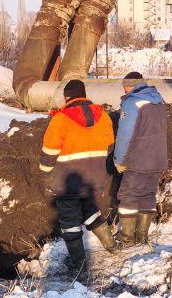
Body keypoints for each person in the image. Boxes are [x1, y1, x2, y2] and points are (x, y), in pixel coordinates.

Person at [39, 79, 117, 275]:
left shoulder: (61, 119)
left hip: (69, 179)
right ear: (83, 94)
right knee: (89, 210)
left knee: (69, 221)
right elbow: (110, 146)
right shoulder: (103, 116)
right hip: (95, 178)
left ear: (67, 97)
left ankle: (79, 264)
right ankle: (111, 245)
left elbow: (49, 150)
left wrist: (46, 172)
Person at [113, 71, 168, 246]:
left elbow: (124, 135)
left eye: (124, 86)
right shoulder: (159, 99)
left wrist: (119, 159)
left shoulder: (131, 102)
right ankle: (142, 237)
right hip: (158, 157)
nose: (124, 89)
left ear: (130, 85)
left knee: (128, 195)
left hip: (138, 158)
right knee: (148, 195)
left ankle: (127, 239)